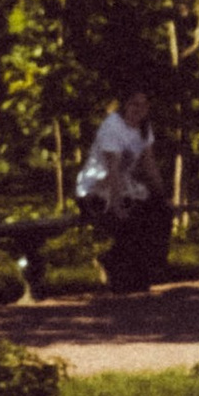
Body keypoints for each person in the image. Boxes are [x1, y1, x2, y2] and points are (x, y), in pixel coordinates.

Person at [78, 89, 172, 296]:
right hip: (96, 189)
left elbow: (149, 165)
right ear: (124, 106)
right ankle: (116, 269)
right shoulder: (113, 127)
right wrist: (115, 204)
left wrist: (162, 195)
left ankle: (147, 272)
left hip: (123, 186)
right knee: (130, 220)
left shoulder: (144, 129)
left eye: (143, 105)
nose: (138, 110)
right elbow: (112, 169)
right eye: (134, 105)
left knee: (159, 213)